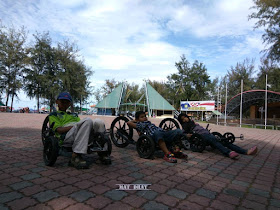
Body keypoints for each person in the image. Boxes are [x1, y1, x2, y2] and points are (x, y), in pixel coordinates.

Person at [49, 92, 111, 169]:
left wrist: (81, 126)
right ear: (57, 102)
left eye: (67, 102)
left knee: (98, 122)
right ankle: (75, 155)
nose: (64, 103)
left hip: (78, 133)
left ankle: (102, 152)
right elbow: (59, 130)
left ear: (69, 104)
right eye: (62, 101)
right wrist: (75, 126)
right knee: (87, 120)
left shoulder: (73, 115)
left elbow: (83, 126)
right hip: (66, 136)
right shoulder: (54, 115)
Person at [177, 113, 258, 159]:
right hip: (202, 137)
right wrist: (187, 135)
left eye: (185, 117)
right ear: (181, 121)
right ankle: (228, 153)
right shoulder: (185, 127)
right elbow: (182, 134)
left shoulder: (194, 123)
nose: (185, 119)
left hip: (208, 134)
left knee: (224, 141)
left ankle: (246, 151)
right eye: (183, 119)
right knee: (215, 141)